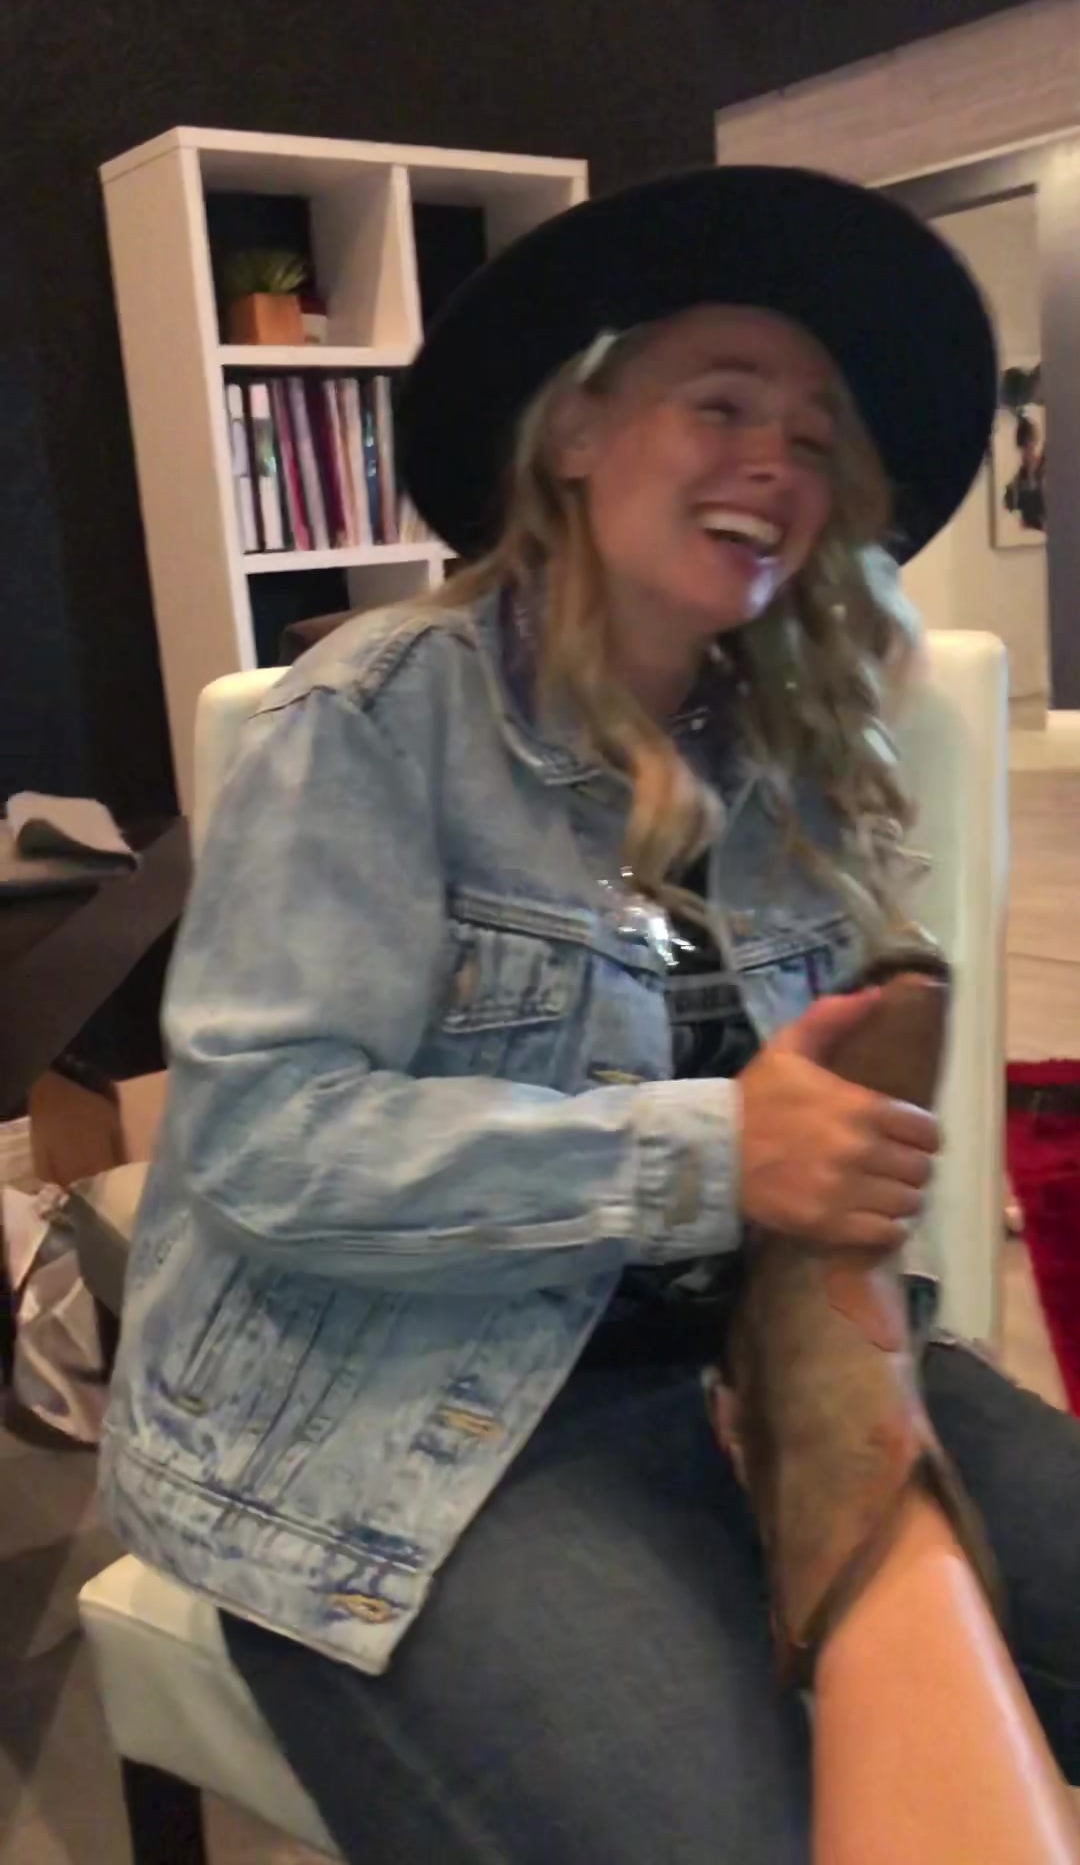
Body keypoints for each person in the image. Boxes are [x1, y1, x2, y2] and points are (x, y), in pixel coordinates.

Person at [101, 168, 1080, 1863]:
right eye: (723, 404)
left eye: (816, 436)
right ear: (573, 431)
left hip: (772, 1364)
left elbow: (835, 1137)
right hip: (416, 1425)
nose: (777, 462)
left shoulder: (796, 754)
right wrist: (711, 1154)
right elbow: (263, 1143)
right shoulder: (373, 720)